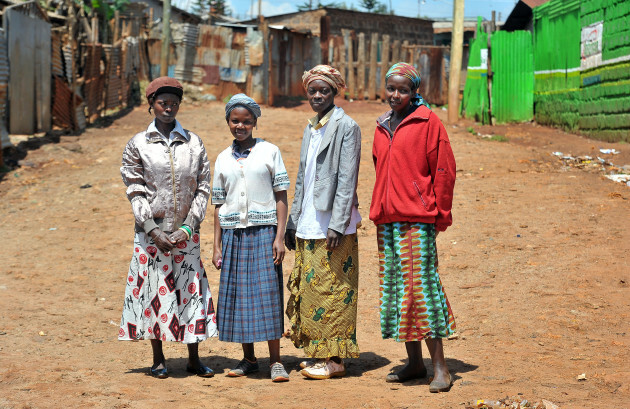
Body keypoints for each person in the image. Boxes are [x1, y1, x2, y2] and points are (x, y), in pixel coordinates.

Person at [118, 77, 218, 379]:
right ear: (151, 104)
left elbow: (203, 187)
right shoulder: (137, 144)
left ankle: (193, 357)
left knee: (189, 292)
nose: (168, 107)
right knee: (153, 292)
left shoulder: (193, 142)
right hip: (152, 236)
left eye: (174, 102)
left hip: (186, 235)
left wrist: (188, 227)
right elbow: (134, 188)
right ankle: (158, 358)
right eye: (163, 102)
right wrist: (152, 229)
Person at [370, 62, 457, 392]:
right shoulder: (381, 125)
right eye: (391, 88)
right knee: (395, 289)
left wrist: (440, 215)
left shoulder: (429, 122)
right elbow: (381, 169)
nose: (395, 95)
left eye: (403, 89)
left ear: (414, 91)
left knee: (422, 290)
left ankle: (441, 368)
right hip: (387, 219)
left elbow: (444, 171)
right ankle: (415, 363)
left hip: (418, 219)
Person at [285, 65, 362, 380]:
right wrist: (292, 220)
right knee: (312, 288)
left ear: (335, 92)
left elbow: (347, 179)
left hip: (332, 224)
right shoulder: (312, 126)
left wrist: (338, 223)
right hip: (308, 220)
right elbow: (303, 176)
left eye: (324, 91)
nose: (317, 96)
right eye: (313, 91)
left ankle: (336, 359)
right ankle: (318, 352)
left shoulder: (347, 126)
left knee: (334, 289)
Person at [211, 94, 290, 382]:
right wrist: (216, 245)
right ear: (228, 122)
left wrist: (279, 237)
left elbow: (281, 196)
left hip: (264, 232)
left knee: (268, 295)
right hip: (233, 234)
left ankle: (276, 361)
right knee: (240, 297)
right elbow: (218, 206)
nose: (240, 126)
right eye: (235, 121)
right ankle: (249, 359)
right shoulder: (221, 159)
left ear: (255, 122)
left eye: (246, 121)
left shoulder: (270, 152)